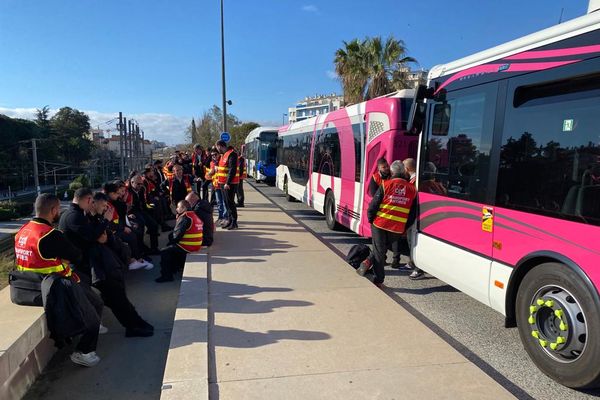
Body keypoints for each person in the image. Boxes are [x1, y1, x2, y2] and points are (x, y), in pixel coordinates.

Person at [15, 193, 104, 367]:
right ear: (54, 210)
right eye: (58, 210)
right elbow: (76, 256)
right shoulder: (49, 234)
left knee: (94, 299)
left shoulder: (22, 231)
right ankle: (83, 352)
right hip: (57, 285)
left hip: (30, 287)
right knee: (94, 311)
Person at [357, 161, 417, 289]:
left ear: (392, 172)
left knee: (379, 251)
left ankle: (378, 279)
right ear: (404, 172)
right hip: (397, 229)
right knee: (381, 249)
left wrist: (371, 220)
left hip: (380, 224)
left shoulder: (386, 185)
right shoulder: (413, 190)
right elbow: (413, 214)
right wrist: (404, 227)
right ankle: (366, 263)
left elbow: (373, 205)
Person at [58, 188, 108, 284]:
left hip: (80, 258)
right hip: (78, 262)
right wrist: (106, 221)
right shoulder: (74, 215)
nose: (92, 204)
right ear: (88, 199)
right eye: (92, 201)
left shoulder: (74, 213)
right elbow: (91, 236)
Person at [155, 200, 204, 283]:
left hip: (188, 246)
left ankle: (167, 276)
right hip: (196, 245)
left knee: (165, 251)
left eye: (178, 207)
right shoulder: (193, 215)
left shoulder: (185, 217)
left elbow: (176, 236)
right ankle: (175, 268)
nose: (176, 209)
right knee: (171, 246)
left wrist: (170, 241)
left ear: (184, 208)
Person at [128, 174, 160, 255]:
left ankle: (154, 248)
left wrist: (148, 209)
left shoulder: (142, 189)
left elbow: (143, 202)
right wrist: (128, 214)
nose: (140, 185)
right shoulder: (128, 192)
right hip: (132, 212)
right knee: (140, 225)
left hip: (141, 211)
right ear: (132, 182)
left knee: (154, 225)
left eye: (141, 183)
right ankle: (141, 250)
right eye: (138, 184)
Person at [216, 140, 239, 230]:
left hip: (229, 184)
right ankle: (229, 220)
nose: (217, 150)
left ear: (220, 146)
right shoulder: (223, 155)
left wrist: (227, 183)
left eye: (217, 148)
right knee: (226, 203)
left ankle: (234, 222)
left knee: (230, 203)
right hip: (222, 183)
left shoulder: (231, 154)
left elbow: (232, 170)